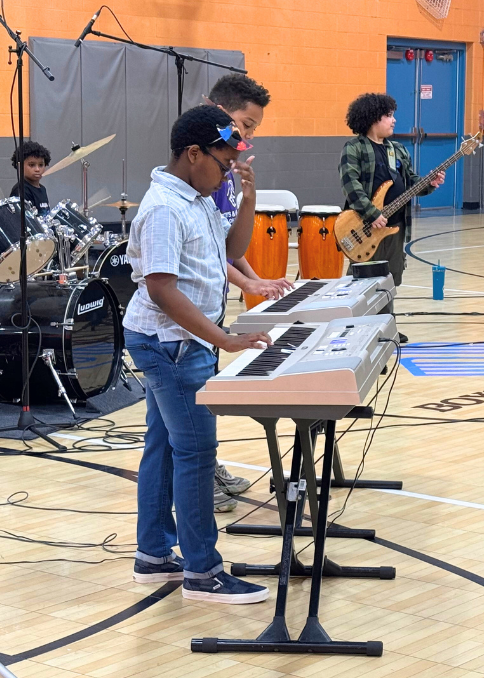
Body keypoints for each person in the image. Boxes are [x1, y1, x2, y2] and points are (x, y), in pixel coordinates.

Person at [123, 105, 273, 604]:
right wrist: (223, 339)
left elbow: (228, 251)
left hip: (177, 341)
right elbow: (162, 288)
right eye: (223, 162)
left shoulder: (197, 198)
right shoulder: (165, 208)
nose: (227, 172)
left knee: (165, 446)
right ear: (193, 153)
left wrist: (248, 200)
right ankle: (203, 572)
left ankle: (153, 555)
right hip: (173, 344)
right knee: (195, 454)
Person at [203, 73, 291, 511]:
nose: (249, 134)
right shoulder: (202, 171)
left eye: (254, 127)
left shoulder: (227, 171)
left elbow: (228, 245)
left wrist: (256, 279)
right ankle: (199, 475)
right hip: (185, 315)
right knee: (186, 411)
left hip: (209, 305)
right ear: (221, 113)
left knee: (200, 398)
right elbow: (205, 251)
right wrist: (248, 283)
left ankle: (207, 464)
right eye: (246, 123)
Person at [339, 92, 444, 288]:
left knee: (391, 282)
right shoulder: (354, 148)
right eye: (388, 115)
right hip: (366, 228)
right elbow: (350, 185)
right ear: (373, 118)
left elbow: (411, 182)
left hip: (396, 227)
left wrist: (429, 183)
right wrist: (372, 214)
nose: (394, 120)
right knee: (361, 284)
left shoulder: (397, 149)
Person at [9, 141, 53, 216]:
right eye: (32, 165)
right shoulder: (21, 189)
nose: (37, 169)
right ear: (20, 166)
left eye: (41, 165)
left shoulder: (42, 189)